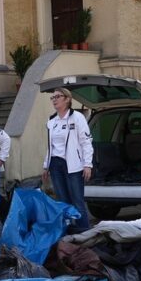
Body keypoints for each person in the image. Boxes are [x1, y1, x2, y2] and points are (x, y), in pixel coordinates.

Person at [42, 87, 93, 233]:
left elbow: (86, 141)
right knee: (63, 201)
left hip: (73, 165)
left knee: (77, 201)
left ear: (67, 99)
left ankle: (84, 231)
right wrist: (46, 166)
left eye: (58, 96)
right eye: (52, 98)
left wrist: (87, 164)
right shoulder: (52, 120)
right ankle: (70, 231)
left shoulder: (77, 117)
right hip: (55, 164)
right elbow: (50, 146)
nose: (54, 100)